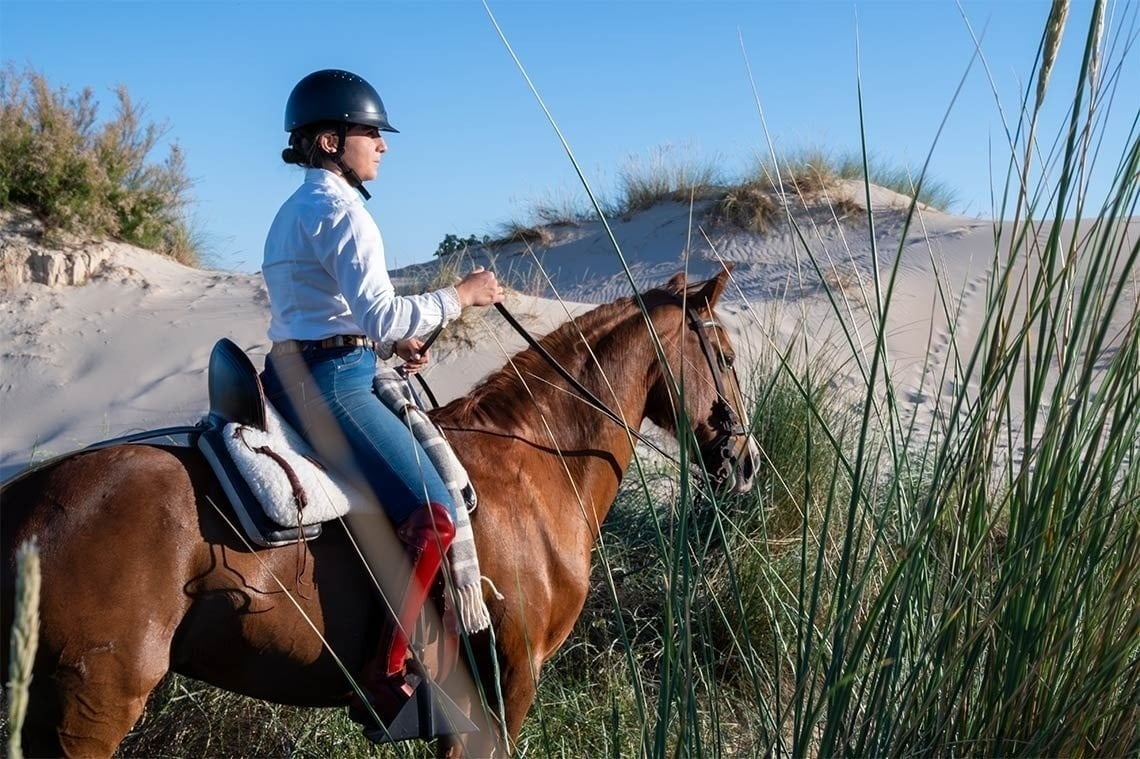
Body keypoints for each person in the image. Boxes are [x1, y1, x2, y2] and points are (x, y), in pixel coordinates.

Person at [258, 68, 503, 734]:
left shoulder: (293, 211)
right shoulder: (344, 212)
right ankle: (385, 675)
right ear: (331, 140)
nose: (382, 145)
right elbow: (383, 311)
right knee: (435, 513)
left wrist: (388, 348)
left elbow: (329, 313)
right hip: (332, 383)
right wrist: (462, 295)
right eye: (371, 132)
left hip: (298, 369)